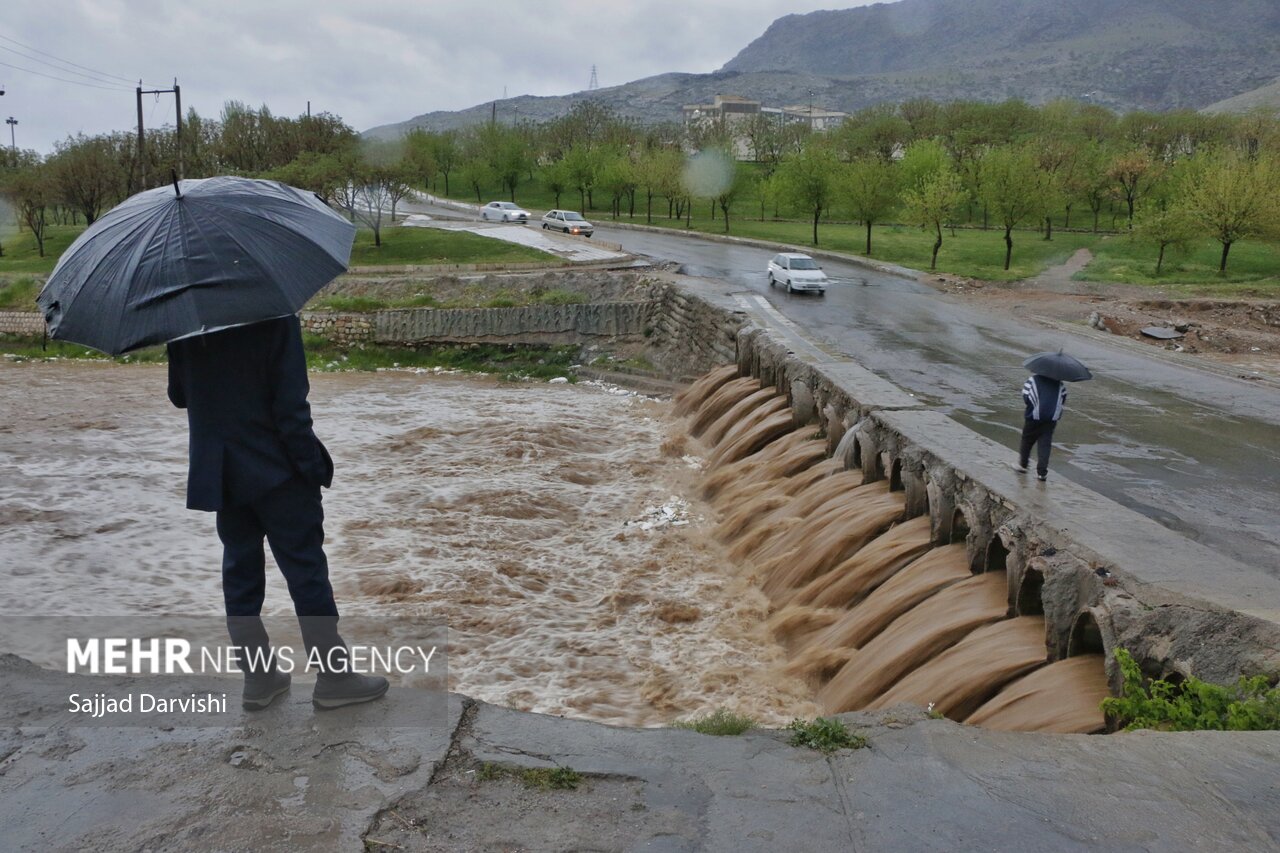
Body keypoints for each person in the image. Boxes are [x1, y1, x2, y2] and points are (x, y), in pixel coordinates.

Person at [167, 314, 388, 711]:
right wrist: (311, 467)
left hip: (221, 472)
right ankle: (334, 678)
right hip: (278, 470)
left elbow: (179, 394)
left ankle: (258, 679)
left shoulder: (186, 316)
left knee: (240, 573)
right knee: (306, 572)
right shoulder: (274, 313)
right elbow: (291, 406)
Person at [1013, 372, 1067, 482]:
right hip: (1051, 420)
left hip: (1033, 418)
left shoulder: (1033, 380)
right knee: (1045, 445)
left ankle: (1023, 465)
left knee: (1027, 440)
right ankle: (1042, 474)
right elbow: (1063, 399)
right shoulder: (1060, 385)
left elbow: (1026, 395)